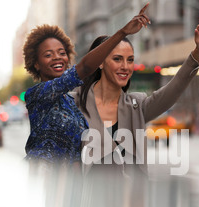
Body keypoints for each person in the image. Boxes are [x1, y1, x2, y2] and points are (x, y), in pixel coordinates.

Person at [73, 20, 199, 177]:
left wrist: (198, 52)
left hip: (128, 197)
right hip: (86, 197)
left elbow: (173, 90)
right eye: (117, 59)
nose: (125, 66)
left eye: (130, 60)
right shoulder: (74, 103)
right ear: (100, 63)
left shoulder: (136, 106)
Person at [22, 3, 150, 168]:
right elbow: (85, 68)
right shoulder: (37, 95)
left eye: (62, 53)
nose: (57, 58)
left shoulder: (71, 101)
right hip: (40, 181)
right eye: (48, 54)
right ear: (36, 64)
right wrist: (122, 32)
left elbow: (78, 156)